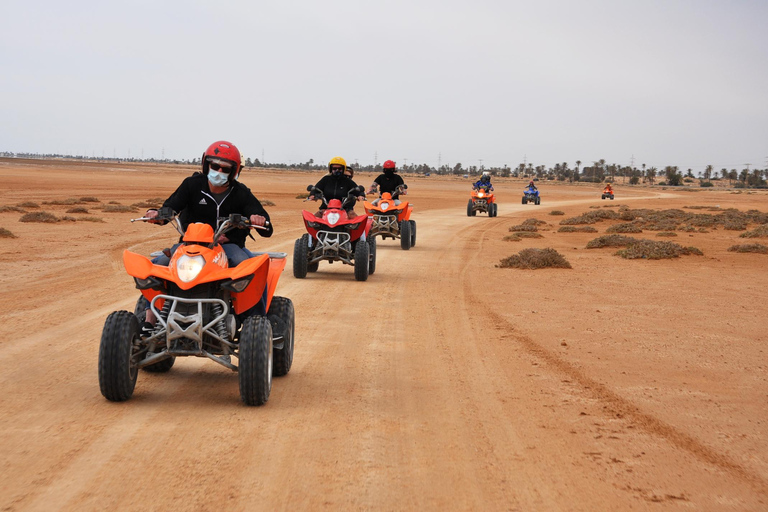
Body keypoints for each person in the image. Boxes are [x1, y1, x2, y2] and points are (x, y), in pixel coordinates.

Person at [146, 140, 273, 267]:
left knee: (251, 270)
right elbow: (171, 207)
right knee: (156, 268)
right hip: (191, 245)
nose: (219, 171)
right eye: (215, 166)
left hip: (228, 247)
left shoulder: (241, 193)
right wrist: (156, 215)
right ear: (207, 165)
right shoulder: (192, 185)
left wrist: (258, 220)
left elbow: (267, 229)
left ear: (233, 171)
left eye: (226, 169)